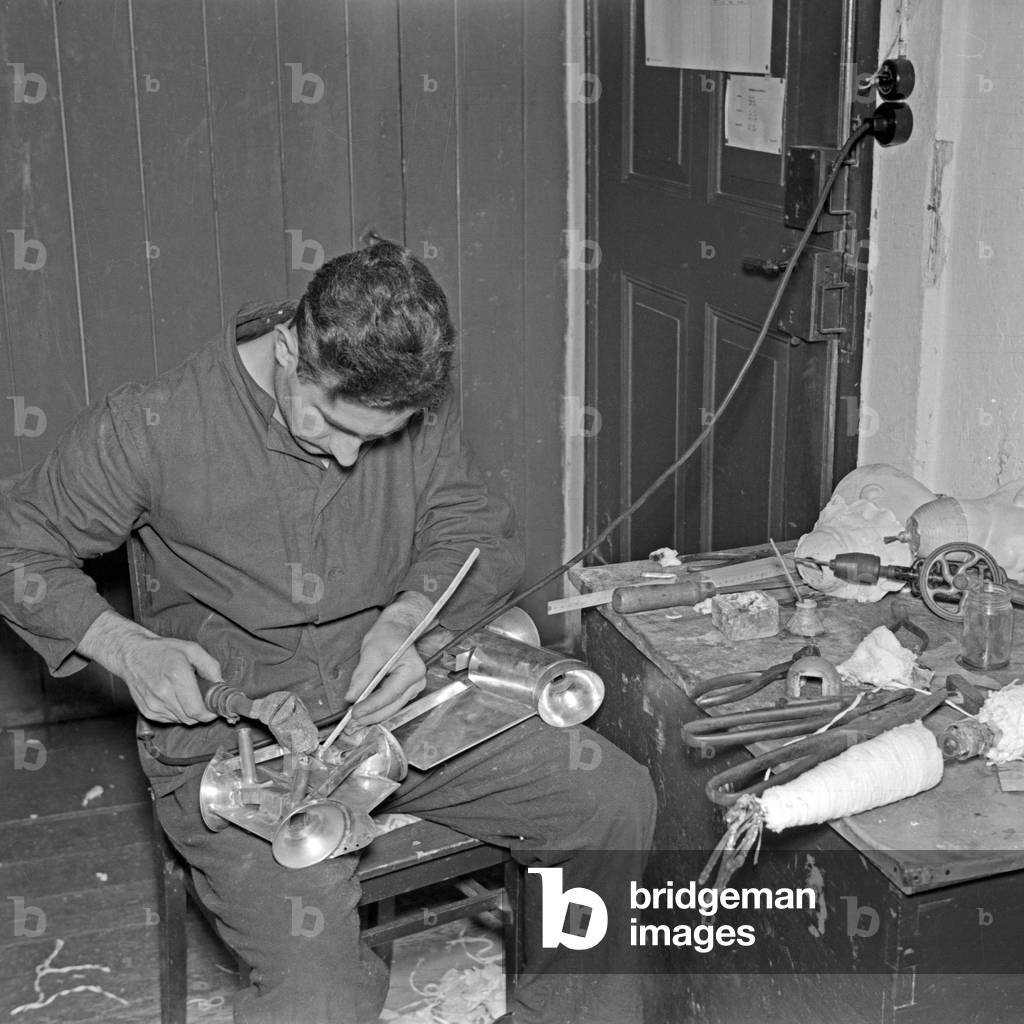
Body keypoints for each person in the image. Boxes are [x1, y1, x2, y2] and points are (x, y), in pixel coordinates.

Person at [0, 241, 656, 1024]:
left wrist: (411, 624)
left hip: (403, 713)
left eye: (377, 438)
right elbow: (18, 548)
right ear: (287, 352)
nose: (349, 455)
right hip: (240, 748)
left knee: (610, 800)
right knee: (319, 996)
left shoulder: (407, 407)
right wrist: (123, 646)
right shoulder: (152, 425)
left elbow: (472, 528)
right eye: (330, 424)